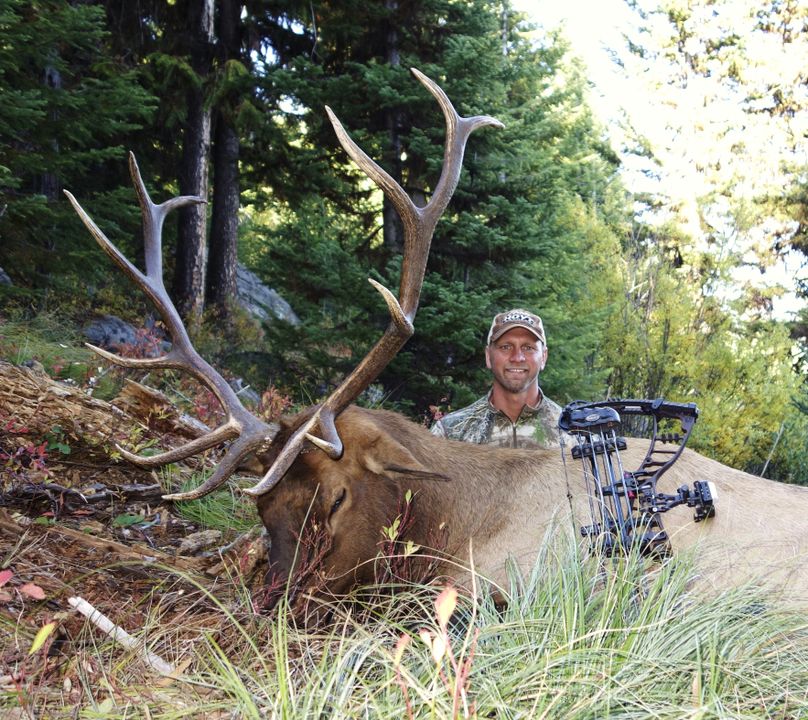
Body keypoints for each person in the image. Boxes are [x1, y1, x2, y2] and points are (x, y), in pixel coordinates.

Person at [430, 309, 565, 449]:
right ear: (488, 356)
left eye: (528, 347)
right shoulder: (450, 434)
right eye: (506, 347)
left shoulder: (572, 433)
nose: (517, 357)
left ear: (543, 357)